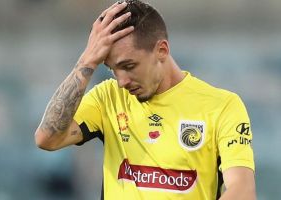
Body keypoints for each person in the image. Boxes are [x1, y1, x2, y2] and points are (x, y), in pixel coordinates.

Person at [34, 0, 256, 199]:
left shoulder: (221, 106)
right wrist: (87, 61)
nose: (121, 81)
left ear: (161, 50)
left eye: (129, 66)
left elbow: (243, 192)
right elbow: (47, 139)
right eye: (113, 70)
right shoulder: (108, 97)